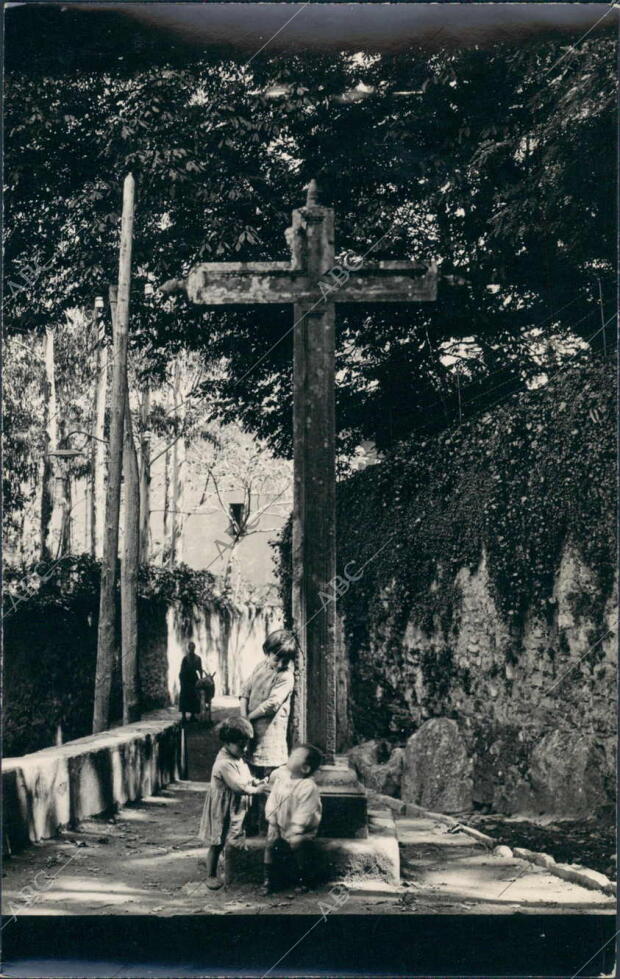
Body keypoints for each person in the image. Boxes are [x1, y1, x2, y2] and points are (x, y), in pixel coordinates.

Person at [198, 716, 269, 890]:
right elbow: (237, 786)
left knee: (231, 835)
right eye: (240, 745)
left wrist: (255, 782)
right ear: (227, 743)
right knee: (218, 841)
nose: (244, 749)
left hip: (233, 806)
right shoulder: (224, 763)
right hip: (222, 808)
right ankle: (211, 875)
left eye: (246, 744)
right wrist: (257, 790)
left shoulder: (237, 757)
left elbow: (244, 778)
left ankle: (230, 865)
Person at [262, 743, 323, 895]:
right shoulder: (282, 780)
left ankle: (303, 879)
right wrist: (273, 822)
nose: (291, 757)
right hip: (280, 825)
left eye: (296, 757)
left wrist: (296, 828)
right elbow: (273, 802)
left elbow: (306, 811)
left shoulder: (308, 786)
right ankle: (269, 878)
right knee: (270, 843)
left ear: (305, 768)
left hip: (301, 830)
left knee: (298, 844)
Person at [239, 629, 297, 777]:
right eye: (276, 659)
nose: (279, 665)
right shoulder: (260, 667)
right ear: (268, 652)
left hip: (269, 733)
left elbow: (272, 704)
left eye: (285, 661)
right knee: (250, 773)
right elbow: (245, 689)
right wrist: (243, 716)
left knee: (269, 775)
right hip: (250, 728)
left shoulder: (285, 677)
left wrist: (248, 718)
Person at [179, 641, 203, 723]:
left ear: (194, 648)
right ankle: (183, 717)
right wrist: (181, 680)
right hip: (185, 679)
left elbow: (200, 669)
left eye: (193, 647)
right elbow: (182, 670)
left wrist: (201, 680)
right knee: (184, 697)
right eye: (190, 647)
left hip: (193, 680)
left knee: (194, 697)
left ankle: (193, 716)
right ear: (188, 648)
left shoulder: (198, 658)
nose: (192, 649)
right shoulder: (185, 658)